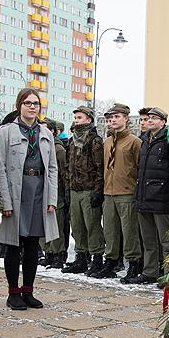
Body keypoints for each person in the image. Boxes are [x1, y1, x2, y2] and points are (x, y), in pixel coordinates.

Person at [0, 88, 60, 310]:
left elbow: (52, 168)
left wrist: (51, 197)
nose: (32, 107)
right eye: (27, 103)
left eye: (36, 103)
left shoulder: (46, 133)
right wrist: (5, 200)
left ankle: (28, 291)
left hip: (39, 190)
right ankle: (13, 293)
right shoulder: (6, 132)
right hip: (16, 190)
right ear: (19, 105)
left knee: (33, 244)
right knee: (14, 244)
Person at [129, 107, 169, 284]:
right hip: (143, 195)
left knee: (166, 241)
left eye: (154, 118)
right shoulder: (145, 140)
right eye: (148, 118)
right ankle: (150, 271)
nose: (150, 120)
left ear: (163, 122)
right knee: (148, 239)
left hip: (160, 196)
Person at [94, 103, 142, 279]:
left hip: (127, 192)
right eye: (111, 118)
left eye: (117, 117)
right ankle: (111, 260)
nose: (113, 120)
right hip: (109, 192)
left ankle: (133, 262)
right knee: (110, 229)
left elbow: (139, 168)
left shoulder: (135, 142)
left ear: (126, 119)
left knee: (129, 230)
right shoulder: (107, 142)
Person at [63, 106, 106, 275]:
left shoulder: (94, 140)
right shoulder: (73, 140)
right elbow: (68, 166)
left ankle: (96, 257)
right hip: (75, 189)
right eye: (75, 118)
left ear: (88, 119)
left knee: (92, 225)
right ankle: (81, 257)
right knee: (77, 226)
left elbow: (99, 167)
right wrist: (67, 188)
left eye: (79, 117)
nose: (76, 120)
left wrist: (97, 190)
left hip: (89, 189)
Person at [40, 119, 68, 269]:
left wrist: (64, 194)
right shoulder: (38, 146)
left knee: (56, 224)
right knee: (43, 225)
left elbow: (64, 173)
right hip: (41, 190)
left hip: (56, 192)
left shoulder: (58, 149)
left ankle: (58, 254)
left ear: (53, 131)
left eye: (46, 129)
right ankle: (48, 252)